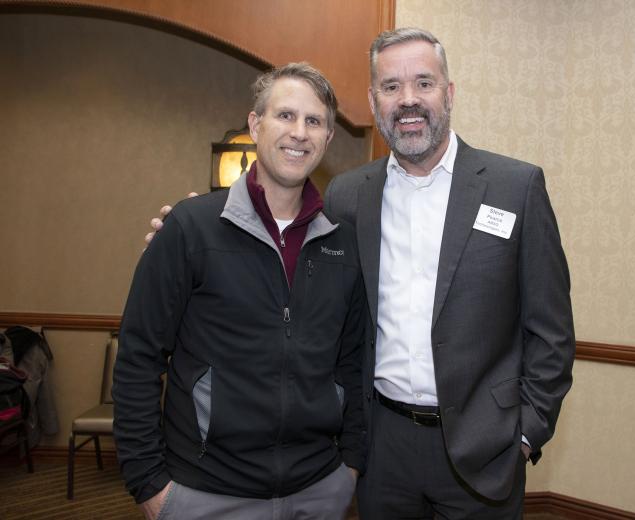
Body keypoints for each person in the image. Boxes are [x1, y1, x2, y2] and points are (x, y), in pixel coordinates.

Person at [147, 27, 574, 519]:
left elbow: (552, 330)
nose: (408, 100)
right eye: (391, 87)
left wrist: (523, 433)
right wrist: (195, 224)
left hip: (486, 448)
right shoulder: (348, 196)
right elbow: (286, 243)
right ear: (373, 102)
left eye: (424, 83)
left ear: (449, 93)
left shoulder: (514, 187)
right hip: (382, 449)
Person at [114, 62, 366, 520]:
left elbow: (351, 364)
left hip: (318, 490)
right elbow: (138, 356)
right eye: (285, 115)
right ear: (255, 124)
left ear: (328, 139)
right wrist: (149, 483)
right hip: (204, 492)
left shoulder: (342, 243)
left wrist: (349, 467)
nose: (299, 132)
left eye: (314, 121)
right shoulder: (190, 228)